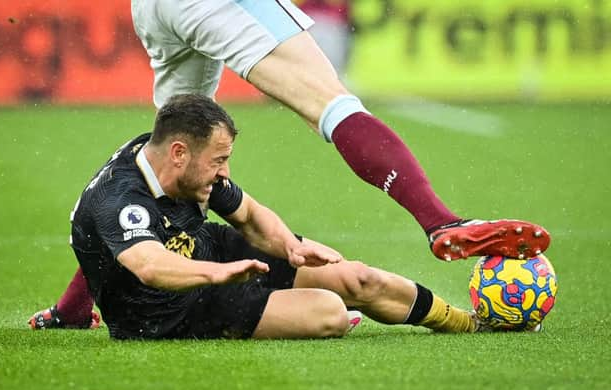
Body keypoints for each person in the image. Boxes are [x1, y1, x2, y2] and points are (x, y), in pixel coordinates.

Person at [29, 0, 550, 329]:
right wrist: (221, 272)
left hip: (152, 8)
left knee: (168, 152)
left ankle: (74, 307)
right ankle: (440, 220)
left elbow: (236, 212)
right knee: (334, 104)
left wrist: (291, 246)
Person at [31, 94, 483, 337]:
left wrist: (292, 247)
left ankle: (471, 323)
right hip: (163, 311)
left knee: (358, 280)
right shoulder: (120, 199)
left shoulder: (183, 167)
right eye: (219, 159)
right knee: (328, 311)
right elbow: (149, 265)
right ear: (179, 152)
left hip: (208, 253)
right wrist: (220, 273)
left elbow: (248, 214)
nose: (224, 172)